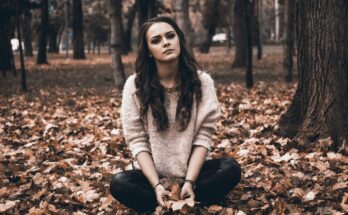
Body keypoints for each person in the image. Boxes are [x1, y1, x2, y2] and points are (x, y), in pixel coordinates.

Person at [110, 16, 241, 213]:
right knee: (119, 183)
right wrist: (157, 186)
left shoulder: (203, 82)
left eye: (170, 36)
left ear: (179, 40)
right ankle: (167, 199)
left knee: (231, 169)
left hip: (195, 175)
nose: (166, 42)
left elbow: (203, 137)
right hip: (153, 178)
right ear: (149, 52)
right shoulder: (134, 86)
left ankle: (188, 195)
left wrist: (189, 181)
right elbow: (137, 141)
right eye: (156, 40)